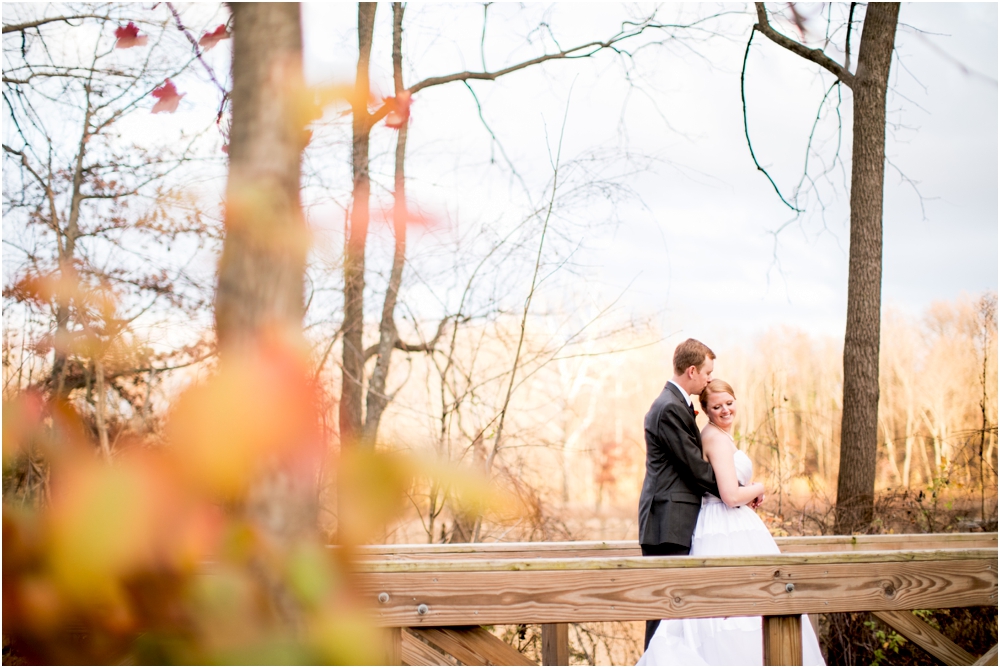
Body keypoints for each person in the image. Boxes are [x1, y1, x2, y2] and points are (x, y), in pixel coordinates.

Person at [637, 379, 825, 666]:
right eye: (716, 406)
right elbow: (730, 495)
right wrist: (759, 488)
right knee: (736, 605)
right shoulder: (714, 438)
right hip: (723, 526)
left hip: (728, 521)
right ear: (706, 410)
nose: (725, 410)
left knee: (753, 603)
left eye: (729, 403)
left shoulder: (721, 436)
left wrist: (746, 493)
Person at [637, 338, 722, 650]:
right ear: (692, 370)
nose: (710, 378)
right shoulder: (669, 407)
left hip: (672, 521)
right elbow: (694, 468)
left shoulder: (675, 403)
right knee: (663, 613)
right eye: (707, 372)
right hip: (667, 523)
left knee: (673, 611)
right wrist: (734, 491)